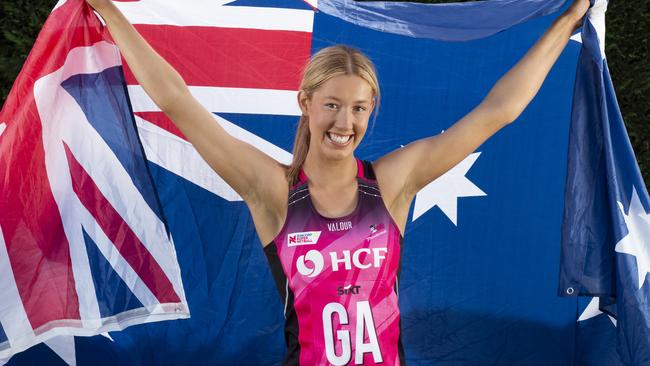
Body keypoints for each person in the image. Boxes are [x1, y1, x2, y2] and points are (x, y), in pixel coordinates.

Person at [86, 0, 591, 365]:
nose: (344, 122)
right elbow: (178, 103)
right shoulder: (272, 189)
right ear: (305, 103)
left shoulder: (393, 182)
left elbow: (499, 111)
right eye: (331, 104)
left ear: (371, 111)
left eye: (358, 107)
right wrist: (109, 11)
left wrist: (568, 19)